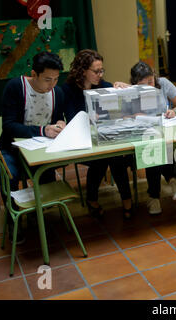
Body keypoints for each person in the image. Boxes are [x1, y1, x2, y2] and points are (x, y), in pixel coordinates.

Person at [0, 51, 66, 243]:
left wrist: (60, 124)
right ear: (33, 74)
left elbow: (58, 118)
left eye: (56, 79)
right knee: (9, 174)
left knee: (46, 174)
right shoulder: (16, 87)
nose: (51, 85)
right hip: (12, 147)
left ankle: (38, 212)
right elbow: (9, 126)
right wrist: (43, 130)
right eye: (47, 79)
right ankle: (13, 219)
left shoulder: (57, 92)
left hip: (41, 149)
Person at [62, 49, 133, 219]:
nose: (100, 75)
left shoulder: (105, 86)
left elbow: (119, 111)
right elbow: (72, 119)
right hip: (81, 140)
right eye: (96, 71)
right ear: (82, 70)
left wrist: (123, 89)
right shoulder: (68, 90)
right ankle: (119, 200)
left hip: (102, 138)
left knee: (113, 156)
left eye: (102, 70)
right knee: (104, 158)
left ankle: (103, 199)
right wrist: (89, 118)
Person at [114, 62, 176, 214]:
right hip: (142, 137)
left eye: (151, 81)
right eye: (143, 84)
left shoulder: (163, 83)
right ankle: (170, 181)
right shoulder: (130, 92)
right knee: (153, 148)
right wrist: (135, 116)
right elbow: (123, 117)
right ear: (135, 84)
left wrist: (174, 111)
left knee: (157, 147)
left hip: (165, 132)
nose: (149, 86)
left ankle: (154, 196)